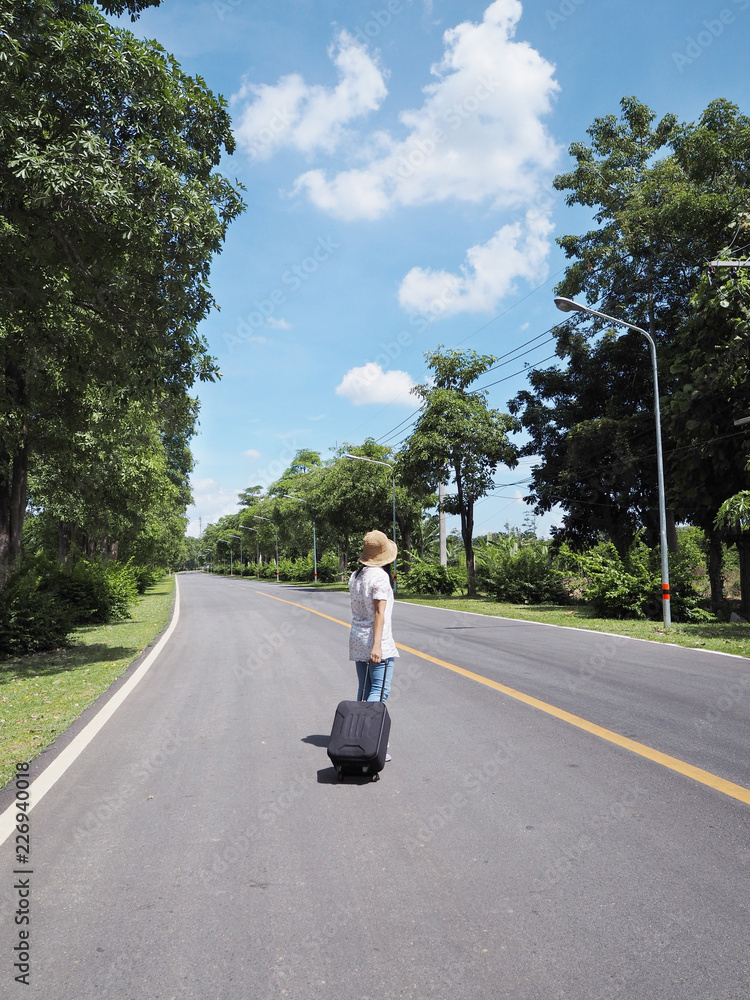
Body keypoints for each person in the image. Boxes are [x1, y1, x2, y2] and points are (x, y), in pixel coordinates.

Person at [348, 531, 398, 755]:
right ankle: (371, 743)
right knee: (379, 691)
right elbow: (379, 613)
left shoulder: (356, 575)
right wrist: (377, 645)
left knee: (364, 690)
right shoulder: (379, 577)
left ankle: (355, 737)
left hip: (358, 639)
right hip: (376, 640)